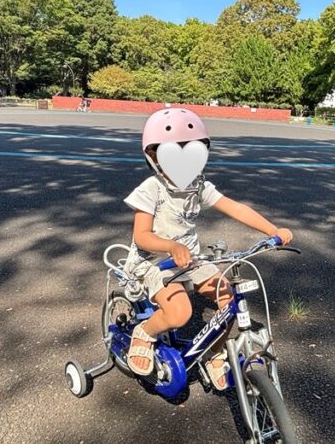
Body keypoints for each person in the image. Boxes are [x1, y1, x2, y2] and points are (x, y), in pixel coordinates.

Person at [122, 108, 293, 390]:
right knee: (179, 313)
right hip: (155, 262)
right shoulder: (151, 189)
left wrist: (272, 231)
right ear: (153, 156)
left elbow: (234, 207)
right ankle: (145, 332)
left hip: (191, 260)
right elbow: (141, 237)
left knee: (229, 299)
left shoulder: (198, 186)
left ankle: (214, 351)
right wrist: (171, 245)